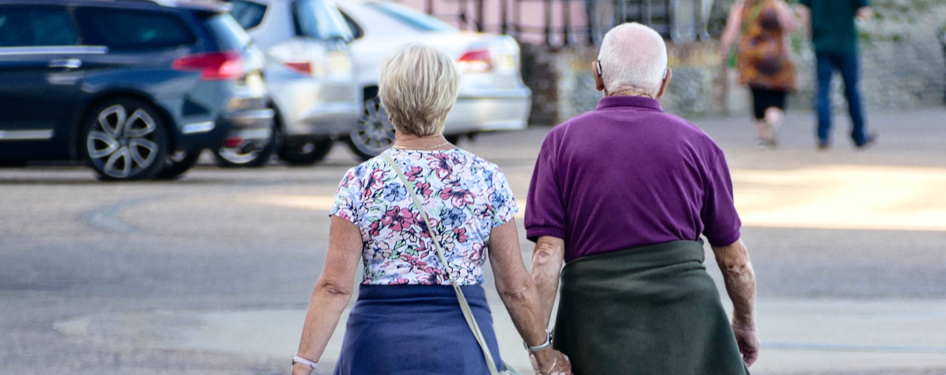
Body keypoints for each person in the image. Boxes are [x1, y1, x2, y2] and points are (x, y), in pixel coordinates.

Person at [291, 44, 572, 375]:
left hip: (376, 351)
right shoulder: (485, 178)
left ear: (387, 103)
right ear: (448, 100)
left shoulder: (361, 181)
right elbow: (515, 288)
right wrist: (544, 357)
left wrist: (303, 365)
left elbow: (334, 288)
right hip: (461, 350)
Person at [525, 23, 759, 375]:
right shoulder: (701, 147)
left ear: (597, 76)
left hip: (594, 327)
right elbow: (735, 262)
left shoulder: (560, 144)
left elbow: (546, 257)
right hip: (689, 332)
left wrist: (541, 348)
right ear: (665, 81)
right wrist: (744, 323)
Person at [796, 0, 876, 149]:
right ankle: (859, 135)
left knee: (823, 89)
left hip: (823, 43)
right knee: (852, 90)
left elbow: (803, 12)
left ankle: (823, 135)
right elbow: (865, 12)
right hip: (846, 44)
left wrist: (812, 33)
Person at [721, 0, 799, 148]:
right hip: (776, 55)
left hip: (751, 57)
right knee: (778, 94)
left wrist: (724, 53)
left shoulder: (742, 6)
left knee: (757, 95)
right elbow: (791, 26)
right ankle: (773, 118)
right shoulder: (776, 5)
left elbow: (730, 33)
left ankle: (763, 136)